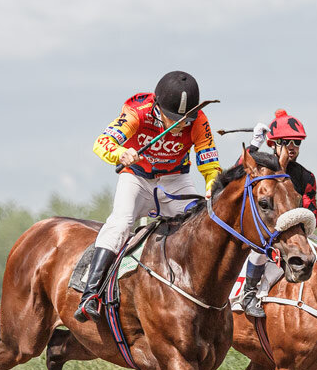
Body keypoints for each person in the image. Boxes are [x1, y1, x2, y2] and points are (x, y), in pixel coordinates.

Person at [75, 71, 223, 321]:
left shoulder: (199, 120)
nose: (182, 124)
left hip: (176, 180)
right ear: (158, 107)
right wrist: (120, 153)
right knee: (120, 224)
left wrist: (211, 184)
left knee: (202, 225)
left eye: (187, 118)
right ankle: (90, 294)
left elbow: (210, 163)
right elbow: (102, 142)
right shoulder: (137, 111)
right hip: (137, 178)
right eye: (175, 118)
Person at [238, 109, 317, 317]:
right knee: (260, 246)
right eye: (287, 142)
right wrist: (255, 144)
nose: (293, 147)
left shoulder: (306, 177)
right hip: (264, 231)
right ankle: (249, 293)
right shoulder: (261, 166)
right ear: (275, 143)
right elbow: (237, 173)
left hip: (295, 233)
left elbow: (312, 210)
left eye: (297, 143)